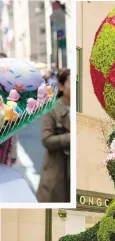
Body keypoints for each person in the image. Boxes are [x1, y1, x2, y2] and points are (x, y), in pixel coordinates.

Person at [37, 68, 70, 202]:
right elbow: (46, 140)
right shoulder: (51, 109)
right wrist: (70, 138)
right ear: (61, 86)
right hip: (56, 173)